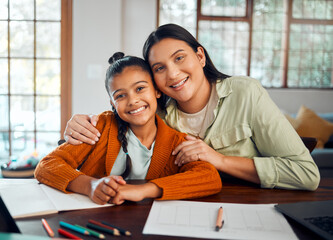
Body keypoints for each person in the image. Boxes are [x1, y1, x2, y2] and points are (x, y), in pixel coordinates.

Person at [64, 24, 320, 191]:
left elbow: (307, 174)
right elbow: (122, 111)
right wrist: (78, 126)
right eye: (160, 68)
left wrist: (218, 159)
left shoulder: (245, 93)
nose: (173, 74)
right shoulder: (158, 112)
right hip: (180, 205)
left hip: (251, 203)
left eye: (179, 58)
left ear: (199, 56)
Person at [34, 52, 222, 205]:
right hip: (95, 220)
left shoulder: (175, 141)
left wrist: (142, 190)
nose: (132, 101)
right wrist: (90, 186)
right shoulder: (100, 127)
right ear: (113, 104)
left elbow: (209, 177)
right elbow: (46, 165)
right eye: (121, 96)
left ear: (157, 90)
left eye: (140, 89)